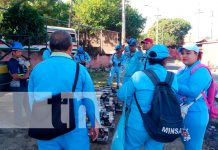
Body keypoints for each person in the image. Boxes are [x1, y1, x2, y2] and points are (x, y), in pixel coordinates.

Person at [28, 30, 99, 150]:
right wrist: (95, 124)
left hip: (46, 127)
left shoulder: (37, 70)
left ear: (50, 47)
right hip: (75, 129)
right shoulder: (79, 70)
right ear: (70, 47)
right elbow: (90, 100)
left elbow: (31, 101)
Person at [117, 44, 178, 150]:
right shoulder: (172, 77)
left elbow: (121, 95)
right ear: (166, 60)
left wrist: (132, 101)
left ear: (148, 59)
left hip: (137, 124)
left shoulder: (139, 75)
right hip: (160, 125)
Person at [177, 43, 211, 150]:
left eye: (188, 53)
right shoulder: (184, 69)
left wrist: (171, 82)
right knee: (186, 140)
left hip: (195, 114)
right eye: (182, 53)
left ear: (196, 54)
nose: (184, 55)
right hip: (184, 113)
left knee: (193, 145)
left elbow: (192, 91)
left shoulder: (201, 70)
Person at [7, 41, 30, 126]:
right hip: (17, 86)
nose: (21, 53)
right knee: (18, 104)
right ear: (13, 52)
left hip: (24, 85)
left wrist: (27, 67)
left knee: (27, 103)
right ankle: (18, 121)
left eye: (21, 51)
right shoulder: (11, 62)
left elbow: (27, 70)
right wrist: (26, 76)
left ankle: (30, 118)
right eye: (19, 51)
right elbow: (15, 76)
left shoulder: (20, 61)